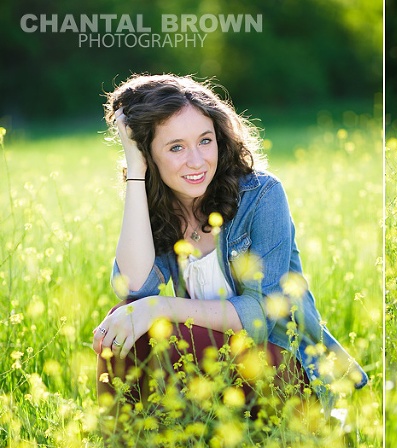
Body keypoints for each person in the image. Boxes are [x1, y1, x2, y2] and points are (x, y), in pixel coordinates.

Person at [92, 74, 367, 413]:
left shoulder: (261, 195)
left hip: (281, 367)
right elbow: (134, 287)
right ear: (149, 154)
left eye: (205, 141)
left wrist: (162, 307)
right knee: (123, 318)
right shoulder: (161, 205)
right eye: (176, 147)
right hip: (215, 366)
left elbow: (259, 318)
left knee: (156, 327)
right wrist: (136, 171)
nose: (197, 161)